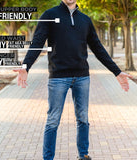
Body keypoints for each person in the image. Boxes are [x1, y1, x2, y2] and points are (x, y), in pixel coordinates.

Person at [13, 0, 133, 159]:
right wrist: (26, 66)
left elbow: (98, 48)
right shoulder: (49, 15)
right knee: (52, 121)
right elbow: (37, 42)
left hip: (82, 77)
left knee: (83, 119)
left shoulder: (85, 20)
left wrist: (117, 72)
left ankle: (83, 155)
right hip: (58, 77)